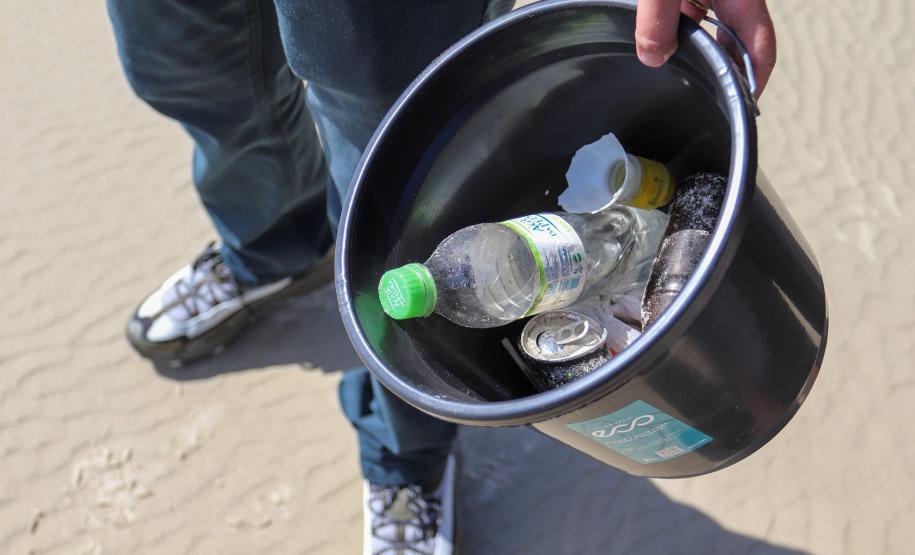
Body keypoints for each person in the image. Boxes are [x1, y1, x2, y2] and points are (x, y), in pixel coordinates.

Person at [107, 1, 774, 553]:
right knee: (188, 71)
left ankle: (405, 457)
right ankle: (272, 251)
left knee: (395, 172)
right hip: (582, 255)